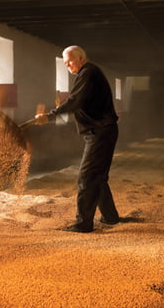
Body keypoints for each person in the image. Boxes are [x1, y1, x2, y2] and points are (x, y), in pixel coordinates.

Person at [35, 45, 120, 232]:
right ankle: (110, 216)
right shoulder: (89, 73)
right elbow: (76, 101)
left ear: (81, 58)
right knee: (97, 177)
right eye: (65, 63)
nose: (68, 66)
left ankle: (83, 223)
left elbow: (74, 101)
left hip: (101, 131)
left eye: (70, 61)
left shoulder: (88, 73)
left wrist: (49, 116)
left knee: (87, 177)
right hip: (101, 131)